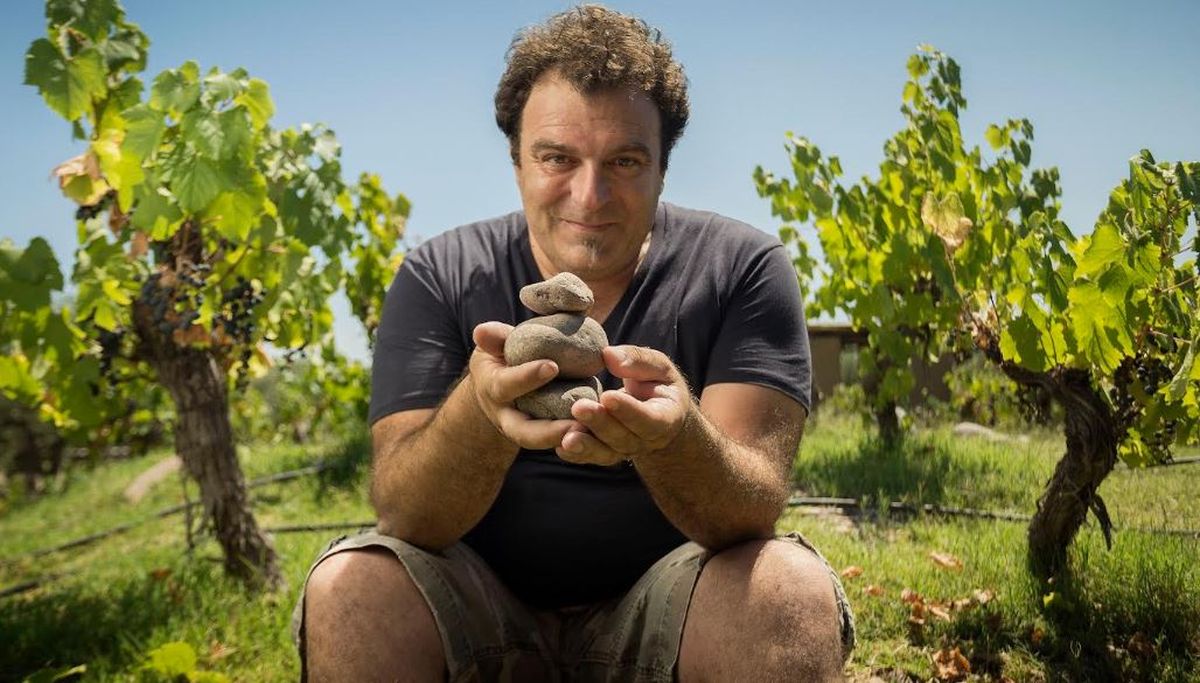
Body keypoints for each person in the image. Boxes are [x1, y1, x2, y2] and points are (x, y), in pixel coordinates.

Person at [293, 5, 855, 681]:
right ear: (517, 161)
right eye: (558, 158)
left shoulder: (742, 268)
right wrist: (483, 406)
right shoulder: (439, 275)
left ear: (663, 168)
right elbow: (405, 513)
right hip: (485, 612)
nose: (590, 196)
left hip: (670, 613)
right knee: (351, 586)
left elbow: (753, 506)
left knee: (787, 589)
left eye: (624, 160)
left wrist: (673, 438)